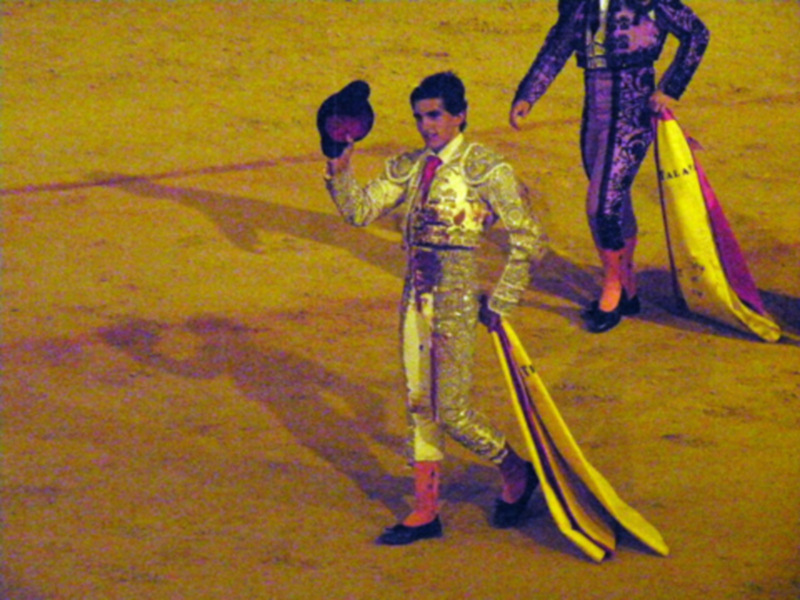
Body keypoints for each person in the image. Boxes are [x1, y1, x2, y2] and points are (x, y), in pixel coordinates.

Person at [323, 71, 546, 545]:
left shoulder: (485, 168)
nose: (427, 126)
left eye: (435, 115)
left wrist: (502, 299)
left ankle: (516, 469)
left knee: (454, 413)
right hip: (416, 295)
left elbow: (528, 236)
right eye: (420, 117)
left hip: (457, 297)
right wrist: (340, 167)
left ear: (459, 115)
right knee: (420, 404)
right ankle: (426, 510)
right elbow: (359, 211)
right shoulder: (409, 166)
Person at [510, 0, 709, 332]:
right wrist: (529, 94)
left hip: (632, 117)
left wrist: (671, 88)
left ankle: (612, 286)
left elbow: (696, 34)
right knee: (615, 200)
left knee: (601, 207)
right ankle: (628, 285)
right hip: (595, 117)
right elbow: (558, 45)